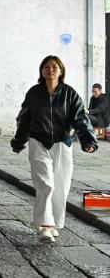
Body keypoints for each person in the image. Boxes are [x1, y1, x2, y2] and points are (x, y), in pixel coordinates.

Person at [11, 55, 97, 244]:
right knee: (45, 184)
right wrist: (19, 140)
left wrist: (88, 140)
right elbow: (24, 118)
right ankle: (45, 226)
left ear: (61, 70)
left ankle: (55, 223)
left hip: (62, 143)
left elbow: (80, 117)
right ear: (41, 71)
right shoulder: (34, 93)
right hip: (38, 142)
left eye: (54, 67)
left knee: (61, 186)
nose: (50, 70)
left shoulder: (70, 94)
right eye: (46, 67)